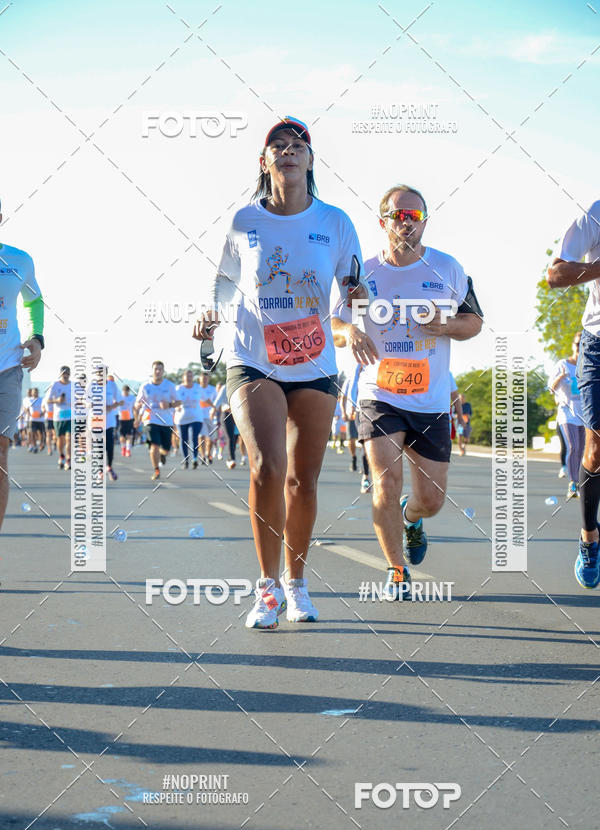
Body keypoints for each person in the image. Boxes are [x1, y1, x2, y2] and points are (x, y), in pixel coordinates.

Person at [193, 115, 366, 628]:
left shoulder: (336, 222)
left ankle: (297, 583)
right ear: (264, 161)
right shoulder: (244, 221)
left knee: (301, 482)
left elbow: (355, 287)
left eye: (298, 145)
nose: (288, 151)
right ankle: (266, 589)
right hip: (252, 359)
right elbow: (223, 286)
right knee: (267, 466)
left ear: (311, 160)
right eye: (278, 145)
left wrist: (356, 320)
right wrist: (210, 318)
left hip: (314, 362)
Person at [332, 183, 483, 600]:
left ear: (424, 222)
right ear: (383, 222)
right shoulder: (362, 273)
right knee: (385, 482)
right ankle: (397, 570)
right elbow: (334, 323)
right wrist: (352, 333)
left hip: (430, 400)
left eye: (414, 216)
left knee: (431, 499)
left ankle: (412, 519)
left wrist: (445, 325)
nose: (406, 222)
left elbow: (474, 323)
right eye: (398, 215)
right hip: (378, 391)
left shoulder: (448, 269)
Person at [548, 205, 600, 587]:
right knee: (595, 448)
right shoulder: (595, 214)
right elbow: (556, 274)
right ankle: (589, 538)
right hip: (598, 342)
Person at [0, 211, 44, 528]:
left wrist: (37, 339)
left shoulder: (19, 260)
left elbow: (34, 301)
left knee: (0, 456)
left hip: (7, 370)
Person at [549, 332, 584, 500]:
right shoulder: (563, 364)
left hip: (584, 414)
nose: (579, 347)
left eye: (582, 344)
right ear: (572, 345)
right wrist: (561, 377)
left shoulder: (587, 366)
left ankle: (580, 483)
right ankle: (572, 482)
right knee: (573, 446)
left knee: (583, 450)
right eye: (577, 343)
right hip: (566, 413)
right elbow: (551, 387)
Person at [134, 361, 179, 481]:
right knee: (154, 445)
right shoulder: (145, 386)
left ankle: (163, 455)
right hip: (150, 420)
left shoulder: (169, 385)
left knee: (166, 448)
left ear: (163, 371)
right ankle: (156, 470)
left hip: (166, 421)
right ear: (152, 371)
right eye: (155, 369)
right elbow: (138, 402)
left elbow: (178, 402)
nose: (158, 371)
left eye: (160, 369)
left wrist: (169, 404)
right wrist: (137, 413)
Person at [341, 362, 371, 493]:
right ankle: (356, 462)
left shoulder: (374, 369)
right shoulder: (352, 375)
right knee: (355, 441)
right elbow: (345, 395)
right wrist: (346, 410)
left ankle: (367, 476)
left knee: (368, 445)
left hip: (372, 411)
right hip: (355, 412)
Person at [175, 369, 203, 469]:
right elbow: (174, 401)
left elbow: (206, 398)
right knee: (183, 439)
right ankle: (186, 460)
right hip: (182, 418)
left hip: (196, 417)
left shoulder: (198, 388)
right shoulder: (178, 389)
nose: (189, 378)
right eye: (187, 376)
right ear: (183, 377)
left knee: (194, 437)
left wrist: (213, 407)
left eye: (191, 376)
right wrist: (176, 407)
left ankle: (195, 458)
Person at [47, 366, 72, 470]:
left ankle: (68, 459)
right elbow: (48, 400)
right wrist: (57, 401)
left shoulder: (74, 385)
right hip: (58, 417)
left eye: (67, 373)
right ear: (60, 374)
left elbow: (81, 397)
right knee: (60, 439)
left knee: (69, 438)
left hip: (70, 416)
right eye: (63, 374)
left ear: (69, 374)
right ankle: (61, 455)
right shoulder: (54, 385)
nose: (65, 375)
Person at [197, 373, 217, 464]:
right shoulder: (196, 389)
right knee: (201, 436)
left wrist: (215, 411)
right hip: (199, 417)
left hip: (210, 416)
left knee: (211, 438)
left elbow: (216, 403)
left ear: (208, 379)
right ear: (199, 380)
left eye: (206, 379)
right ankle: (203, 456)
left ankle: (208, 453)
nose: (204, 380)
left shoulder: (212, 389)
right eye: (202, 379)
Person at [118, 385, 136, 457]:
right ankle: (123, 448)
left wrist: (136, 418)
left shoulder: (132, 398)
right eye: (124, 391)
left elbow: (134, 407)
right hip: (121, 418)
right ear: (122, 391)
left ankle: (128, 450)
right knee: (122, 435)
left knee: (129, 435)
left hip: (130, 418)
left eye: (127, 391)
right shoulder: (119, 397)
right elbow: (114, 404)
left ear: (129, 391)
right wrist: (119, 403)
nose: (126, 393)